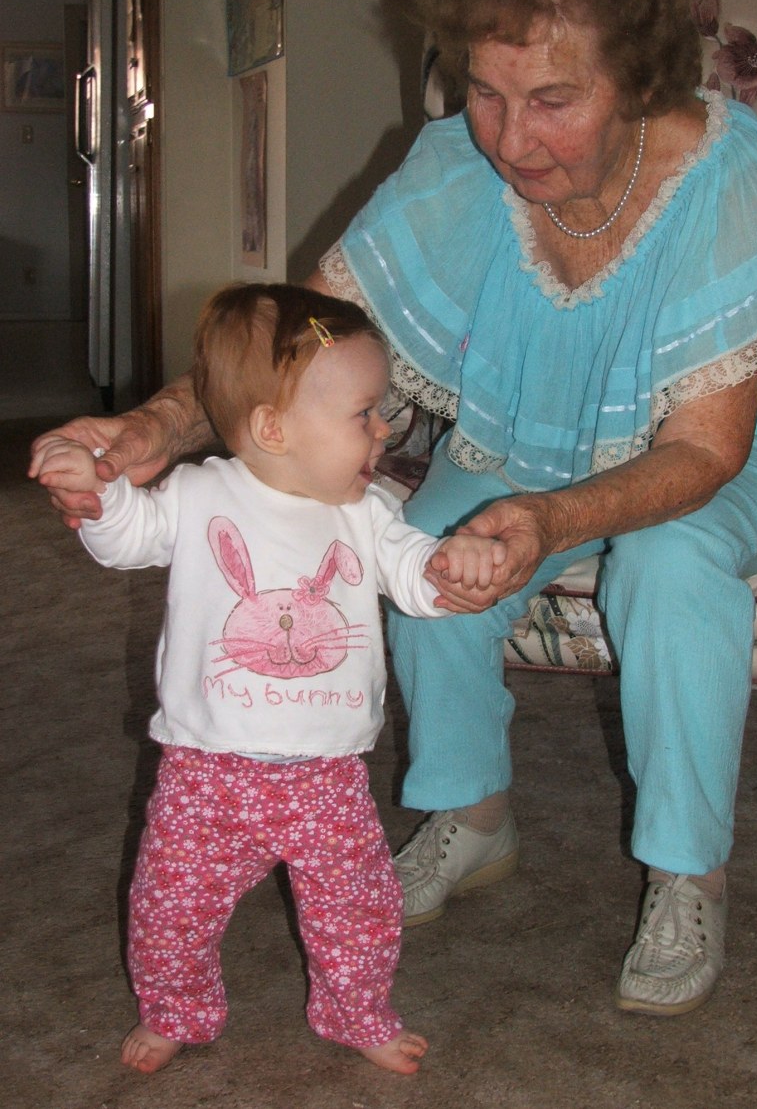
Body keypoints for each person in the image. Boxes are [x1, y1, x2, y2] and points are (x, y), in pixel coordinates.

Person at [31, 0, 757, 1019]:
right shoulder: (454, 168)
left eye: (553, 98)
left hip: (733, 450)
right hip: (523, 431)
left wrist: (554, 523)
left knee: (667, 565)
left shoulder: (727, 173)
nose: (511, 139)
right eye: (485, 90)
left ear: (641, 79)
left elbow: (704, 449)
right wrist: (150, 433)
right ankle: (471, 813)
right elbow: (288, 352)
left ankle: (684, 871)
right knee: (417, 544)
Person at [31, 284, 506, 1076]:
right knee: (168, 912)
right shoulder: (199, 493)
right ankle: (176, 1007)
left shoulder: (369, 511)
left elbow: (418, 578)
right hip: (204, 773)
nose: (383, 428)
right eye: (363, 413)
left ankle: (357, 1011)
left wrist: (456, 565)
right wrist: (98, 491)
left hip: (328, 778)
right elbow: (126, 537)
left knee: (358, 912)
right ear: (273, 428)